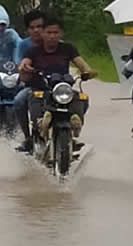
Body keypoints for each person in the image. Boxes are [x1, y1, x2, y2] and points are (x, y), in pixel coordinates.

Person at [16, 15, 97, 152]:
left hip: (62, 89)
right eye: (49, 32)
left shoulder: (68, 48)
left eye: (55, 33)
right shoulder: (33, 50)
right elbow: (24, 63)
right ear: (42, 33)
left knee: (83, 98)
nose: (52, 36)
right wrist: (24, 67)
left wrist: (87, 71)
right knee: (20, 100)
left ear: (61, 33)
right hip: (39, 88)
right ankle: (31, 134)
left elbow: (81, 64)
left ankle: (73, 129)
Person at [12, 10, 46, 151]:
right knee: (19, 101)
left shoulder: (58, 44)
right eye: (32, 27)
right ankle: (28, 137)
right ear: (28, 30)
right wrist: (25, 69)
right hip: (32, 85)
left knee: (80, 99)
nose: (36, 30)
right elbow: (20, 64)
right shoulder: (24, 46)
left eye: (39, 26)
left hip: (55, 85)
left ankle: (69, 134)